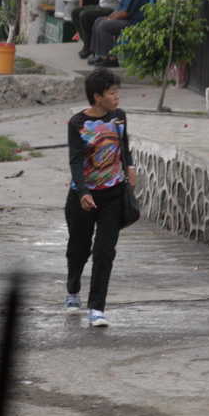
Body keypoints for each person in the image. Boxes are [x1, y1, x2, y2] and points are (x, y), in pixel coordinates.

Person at [65, 68, 136, 328]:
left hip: (113, 195)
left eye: (117, 92)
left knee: (105, 252)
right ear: (97, 97)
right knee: (79, 249)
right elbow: (75, 160)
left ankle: (97, 308)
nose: (117, 97)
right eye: (112, 93)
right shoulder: (77, 123)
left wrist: (130, 167)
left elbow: (123, 146)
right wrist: (83, 192)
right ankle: (73, 288)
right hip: (83, 197)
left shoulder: (119, 117)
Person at [89, 0, 150, 67]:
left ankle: (111, 58)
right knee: (98, 20)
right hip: (125, 19)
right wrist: (110, 16)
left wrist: (110, 19)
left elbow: (126, 13)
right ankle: (98, 54)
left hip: (133, 22)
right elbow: (120, 8)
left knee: (104, 25)